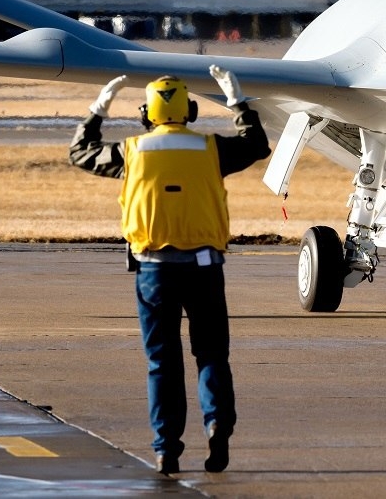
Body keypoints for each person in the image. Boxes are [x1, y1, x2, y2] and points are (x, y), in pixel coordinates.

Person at [69, 66, 270, 475]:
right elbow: (257, 145)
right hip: (204, 267)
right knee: (212, 354)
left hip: (154, 270)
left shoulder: (133, 151)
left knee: (162, 362)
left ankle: (167, 449)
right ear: (190, 111)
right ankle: (216, 424)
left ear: (146, 114)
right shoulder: (211, 148)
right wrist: (238, 102)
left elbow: (80, 152)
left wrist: (98, 108)